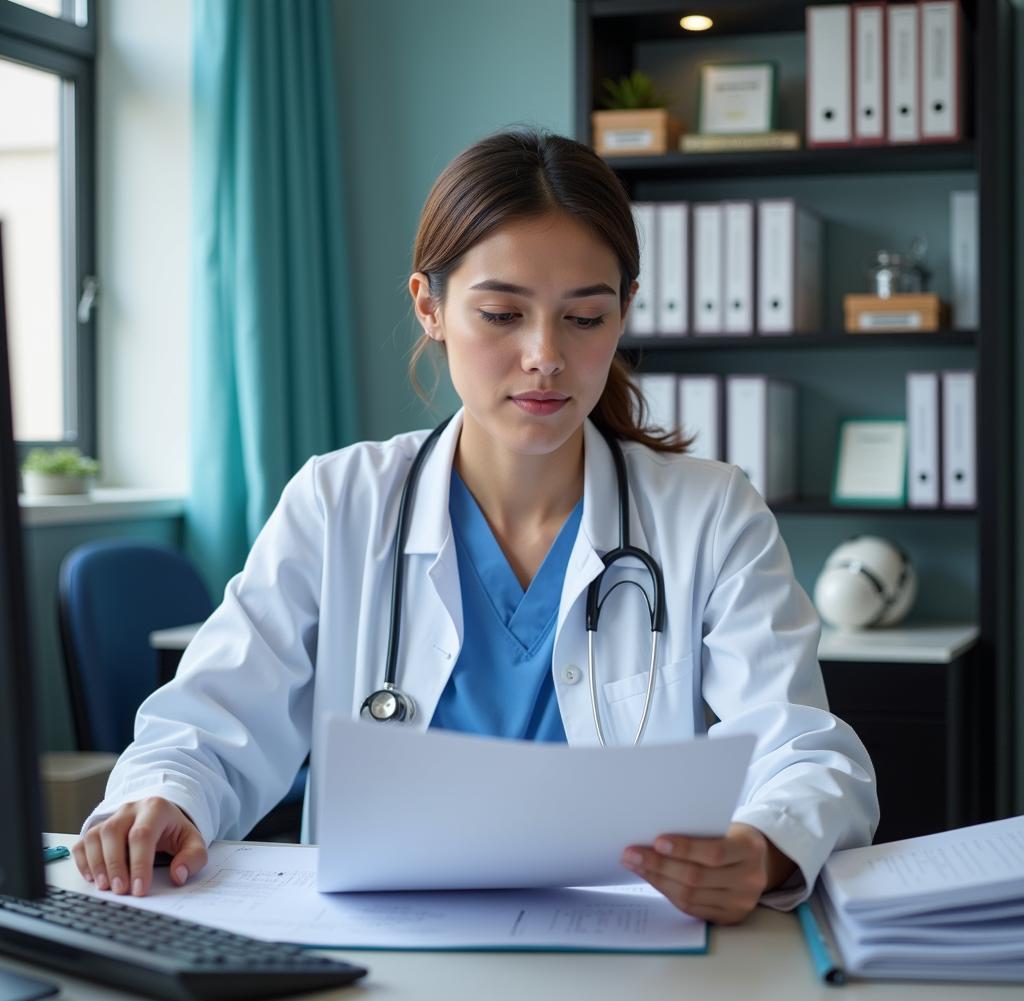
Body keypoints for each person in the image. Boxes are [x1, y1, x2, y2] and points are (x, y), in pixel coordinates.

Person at [73, 128, 878, 924]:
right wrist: (163, 799)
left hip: (630, 958)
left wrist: (764, 845)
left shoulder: (710, 514)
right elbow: (209, 725)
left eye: (585, 319)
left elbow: (803, 751)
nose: (545, 356)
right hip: (381, 962)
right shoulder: (339, 501)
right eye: (501, 314)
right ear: (430, 306)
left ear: (625, 312)